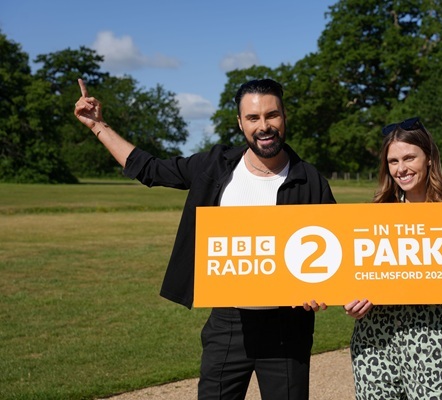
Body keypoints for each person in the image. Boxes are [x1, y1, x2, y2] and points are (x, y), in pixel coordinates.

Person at [74, 78, 336, 400]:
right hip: (227, 323)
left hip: (288, 327)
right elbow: (150, 169)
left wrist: (321, 290)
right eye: (253, 118)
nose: (264, 126)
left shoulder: (310, 181)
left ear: (284, 117)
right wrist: (97, 126)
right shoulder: (215, 165)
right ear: (240, 123)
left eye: (272, 115)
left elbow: (333, 254)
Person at [343, 117, 442, 400]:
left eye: (409, 158)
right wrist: (352, 304)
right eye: (393, 161)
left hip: (432, 349)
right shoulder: (372, 218)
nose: (401, 169)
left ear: (429, 158)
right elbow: (354, 282)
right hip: (374, 347)